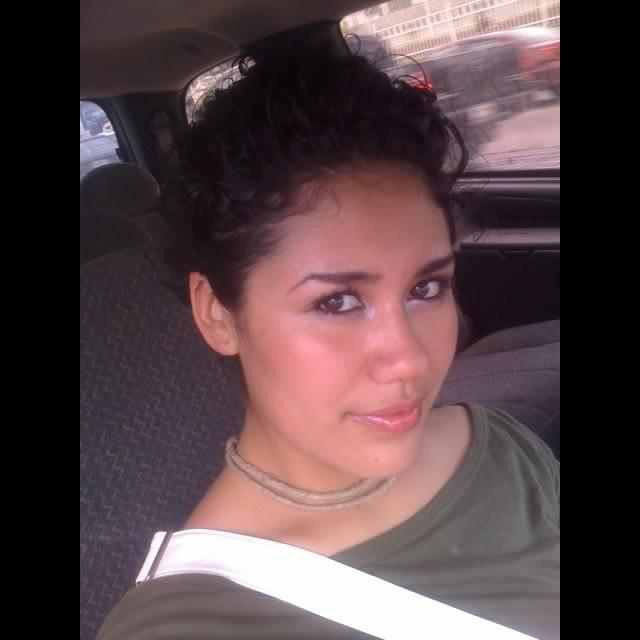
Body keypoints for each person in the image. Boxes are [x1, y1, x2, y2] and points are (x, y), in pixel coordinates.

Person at [97, 45, 559, 640]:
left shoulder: (503, 449)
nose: (409, 359)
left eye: (426, 287)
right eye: (336, 302)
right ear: (218, 313)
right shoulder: (184, 624)